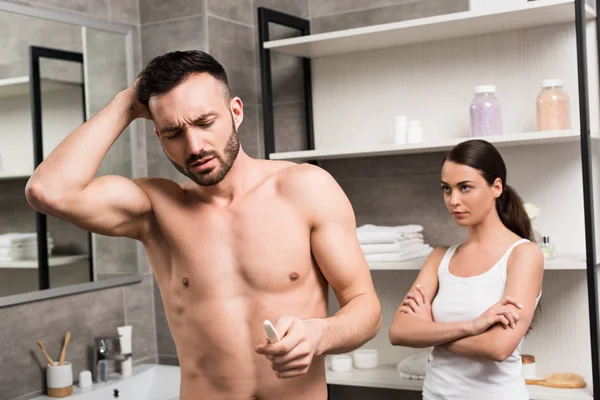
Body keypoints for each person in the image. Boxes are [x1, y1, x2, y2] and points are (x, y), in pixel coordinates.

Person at [25, 50, 382, 400]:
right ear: (158, 137)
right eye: (173, 133)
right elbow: (48, 191)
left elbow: (366, 308)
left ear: (235, 112)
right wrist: (127, 102)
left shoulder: (306, 188)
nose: (194, 146)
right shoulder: (156, 210)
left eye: (205, 123)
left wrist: (320, 334)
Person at [389, 139, 543, 399]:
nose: (453, 200)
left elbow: (498, 347)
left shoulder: (524, 254)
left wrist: (430, 331)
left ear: (496, 187)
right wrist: (472, 326)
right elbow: (399, 332)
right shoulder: (439, 258)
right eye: (446, 189)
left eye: (465, 188)